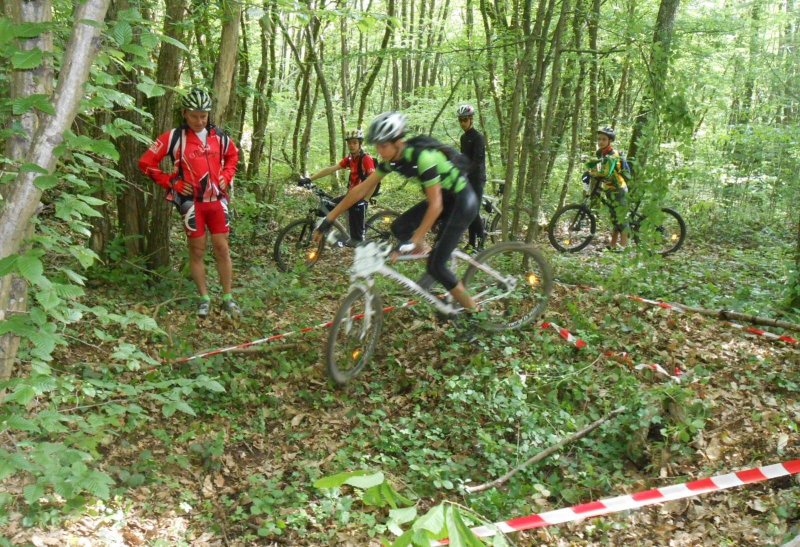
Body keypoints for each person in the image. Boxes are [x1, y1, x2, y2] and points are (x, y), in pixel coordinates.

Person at [314, 111, 479, 312]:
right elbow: (360, 189)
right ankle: (433, 259)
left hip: (463, 201)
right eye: (377, 145)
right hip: (445, 198)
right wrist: (329, 219)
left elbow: (435, 205)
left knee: (437, 266)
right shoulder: (391, 160)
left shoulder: (423, 158)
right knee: (399, 227)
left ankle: (474, 312)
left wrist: (415, 240)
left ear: (398, 142)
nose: (379, 151)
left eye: (383, 145)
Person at [138, 88, 241, 317]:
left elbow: (233, 156)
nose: (199, 120)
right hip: (191, 203)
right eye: (194, 115)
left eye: (203, 115)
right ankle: (204, 297)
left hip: (217, 201)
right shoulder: (174, 137)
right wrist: (170, 183)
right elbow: (145, 162)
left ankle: (227, 297)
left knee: (222, 248)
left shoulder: (220, 136)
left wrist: (226, 175)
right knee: (197, 250)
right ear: (185, 113)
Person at [299, 129, 375, 245]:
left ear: (360, 143)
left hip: (361, 197)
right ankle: (332, 236)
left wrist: (366, 199)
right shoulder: (350, 159)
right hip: (351, 195)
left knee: (358, 240)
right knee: (326, 208)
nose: (351, 145)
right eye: (349, 143)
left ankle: (365, 249)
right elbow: (331, 169)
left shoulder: (366, 159)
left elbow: (374, 181)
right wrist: (310, 179)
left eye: (354, 142)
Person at [585, 126, 629, 249]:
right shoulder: (601, 154)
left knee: (622, 217)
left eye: (604, 139)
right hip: (609, 189)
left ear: (610, 141)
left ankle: (624, 246)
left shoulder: (613, 154)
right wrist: (590, 168)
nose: (600, 142)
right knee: (614, 218)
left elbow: (606, 173)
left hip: (619, 188)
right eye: (599, 139)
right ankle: (613, 245)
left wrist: (593, 174)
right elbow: (594, 165)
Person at [457, 104, 487, 252]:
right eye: (460, 120)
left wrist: (466, 172)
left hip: (477, 178)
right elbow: (464, 158)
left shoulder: (478, 137)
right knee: (469, 210)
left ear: (471, 119)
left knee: (473, 211)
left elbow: (477, 160)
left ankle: (481, 242)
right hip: (467, 178)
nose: (462, 123)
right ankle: (471, 244)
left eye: (465, 120)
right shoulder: (463, 138)